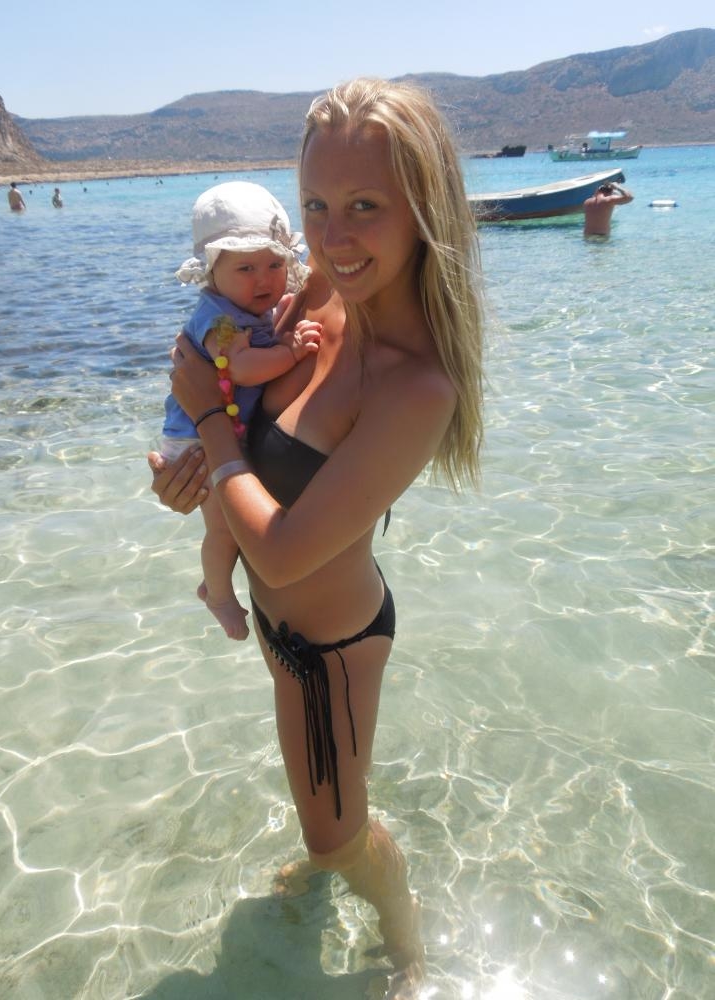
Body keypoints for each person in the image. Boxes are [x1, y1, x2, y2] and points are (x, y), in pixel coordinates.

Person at [150, 78, 485, 999]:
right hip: (277, 626)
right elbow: (247, 442)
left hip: (330, 652)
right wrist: (192, 474)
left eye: (365, 206)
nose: (333, 238)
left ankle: (407, 943)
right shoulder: (321, 293)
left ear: (426, 210)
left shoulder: (418, 386)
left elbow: (286, 548)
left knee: (333, 838)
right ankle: (343, 853)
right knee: (327, 821)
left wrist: (207, 420)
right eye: (315, 206)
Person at [161, 181, 320, 640]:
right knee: (225, 529)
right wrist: (291, 352)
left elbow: (264, 328)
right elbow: (243, 368)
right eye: (246, 268)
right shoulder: (220, 320)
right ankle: (217, 594)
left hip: (217, 427)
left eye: (275, 265)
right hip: (195, 439)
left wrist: (286, 312)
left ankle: (217, 582)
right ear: (212, 272)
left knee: (230, 524)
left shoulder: (246, 307)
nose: (264, 280)